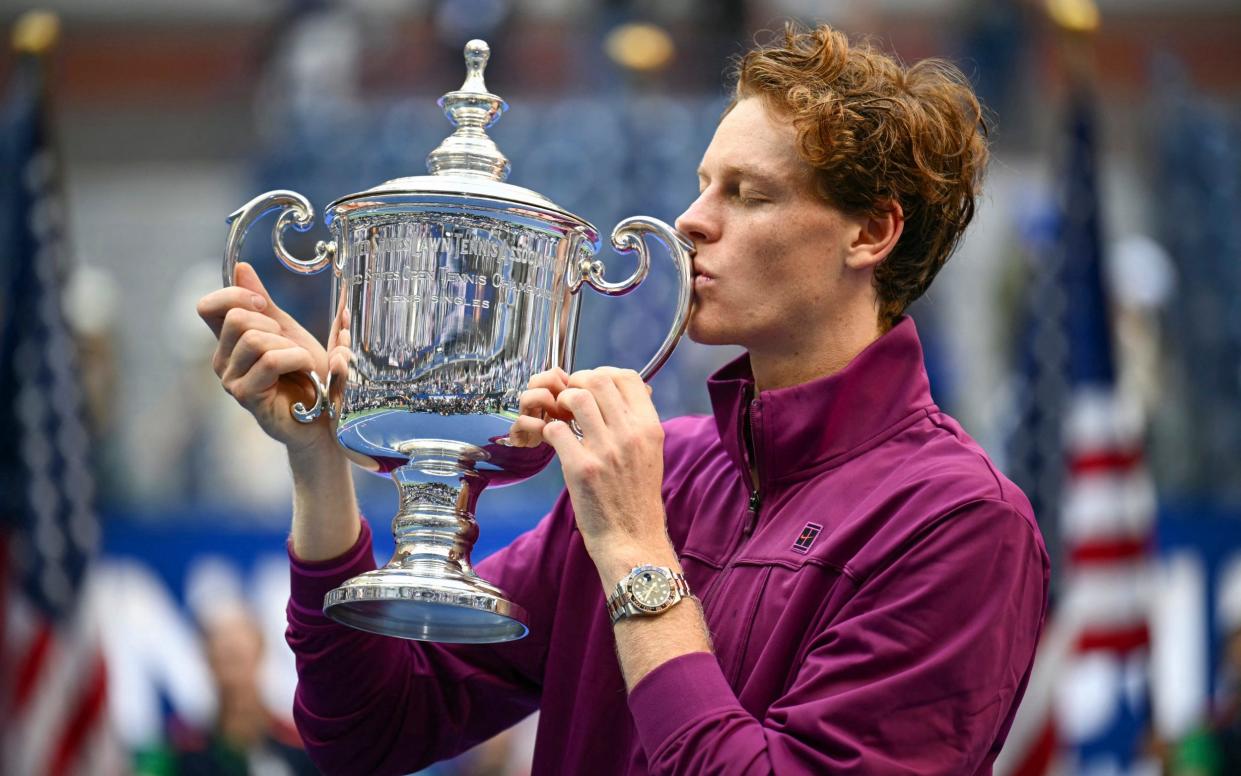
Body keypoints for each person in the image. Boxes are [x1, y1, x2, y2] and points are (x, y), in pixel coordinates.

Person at [197, 22, 1049, 775]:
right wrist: (317, 460)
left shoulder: (960, 522)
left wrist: (638, 550)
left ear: (870, 232)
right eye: (703, 183)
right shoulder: (660, 468)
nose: (689, 221)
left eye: (746, 194)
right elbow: (369, 732)